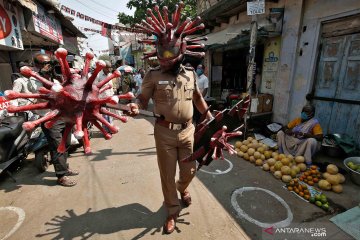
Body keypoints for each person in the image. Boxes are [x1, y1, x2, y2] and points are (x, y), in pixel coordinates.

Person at [128, 4, 212, 234]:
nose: (164, 59)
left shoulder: (190, 74)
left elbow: (197, 99)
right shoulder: (152, 75)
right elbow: (142, 98)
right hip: (164, 133)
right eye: (161, 54)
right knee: (167, 175)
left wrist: (209, 117)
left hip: (188, 131)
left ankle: (182, 188)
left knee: (189, 171)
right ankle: (172, 211)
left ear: (181, 52)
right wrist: (136, 105)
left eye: (169, 55)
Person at [33, 53, 79, 186]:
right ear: (37, 66)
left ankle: (65, 167)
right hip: (48, 117)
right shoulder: (32, 79)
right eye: (44, 63)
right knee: (57, 146)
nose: (48, 66)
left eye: (50, 63)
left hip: (62, 115)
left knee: (66, 143)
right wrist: (42, 76)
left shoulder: (56, 78)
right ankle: (61, 176)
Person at [94, 60, 114, 133]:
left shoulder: (110, 75)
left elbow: (111, 86)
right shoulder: (98, 75)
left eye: (110, 68)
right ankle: (105, 130)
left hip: (109, 97)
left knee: (110, 114)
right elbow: (95, 87)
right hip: (101, 98)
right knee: (104, 115)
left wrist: (112, 95)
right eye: (107, 68)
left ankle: (111, 129)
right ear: (103, 68)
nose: (109, 70)